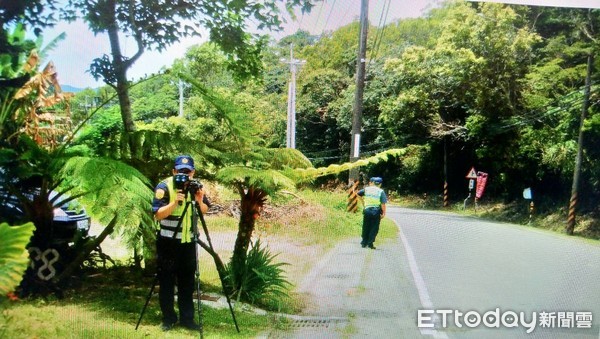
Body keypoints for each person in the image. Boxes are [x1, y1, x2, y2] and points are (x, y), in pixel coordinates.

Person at [151, 155, 209, 331]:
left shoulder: (196, 186)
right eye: (180, 172)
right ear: (173, 171)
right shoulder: (164, 187)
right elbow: (157, 214)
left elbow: (204, 210)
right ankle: (168, 318)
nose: (184, 176)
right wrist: (175, 202)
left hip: (188, 242)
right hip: (168, 242)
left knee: (187, 282)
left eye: (187, 172)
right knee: (167, 281)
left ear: (193, 172)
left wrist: (199, 199)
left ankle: (187, 319)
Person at [357, 177, 387, 249]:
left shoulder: (366, 189)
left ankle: (364, 242)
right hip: (376, 211)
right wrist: (384, 213)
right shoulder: (380, 191)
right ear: (380, 184)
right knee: (374, 227)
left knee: (366, 226)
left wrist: (363, 202)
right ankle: (370, 243)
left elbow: (358, 194)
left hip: (367, 210)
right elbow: (383, 204)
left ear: (372, 182)